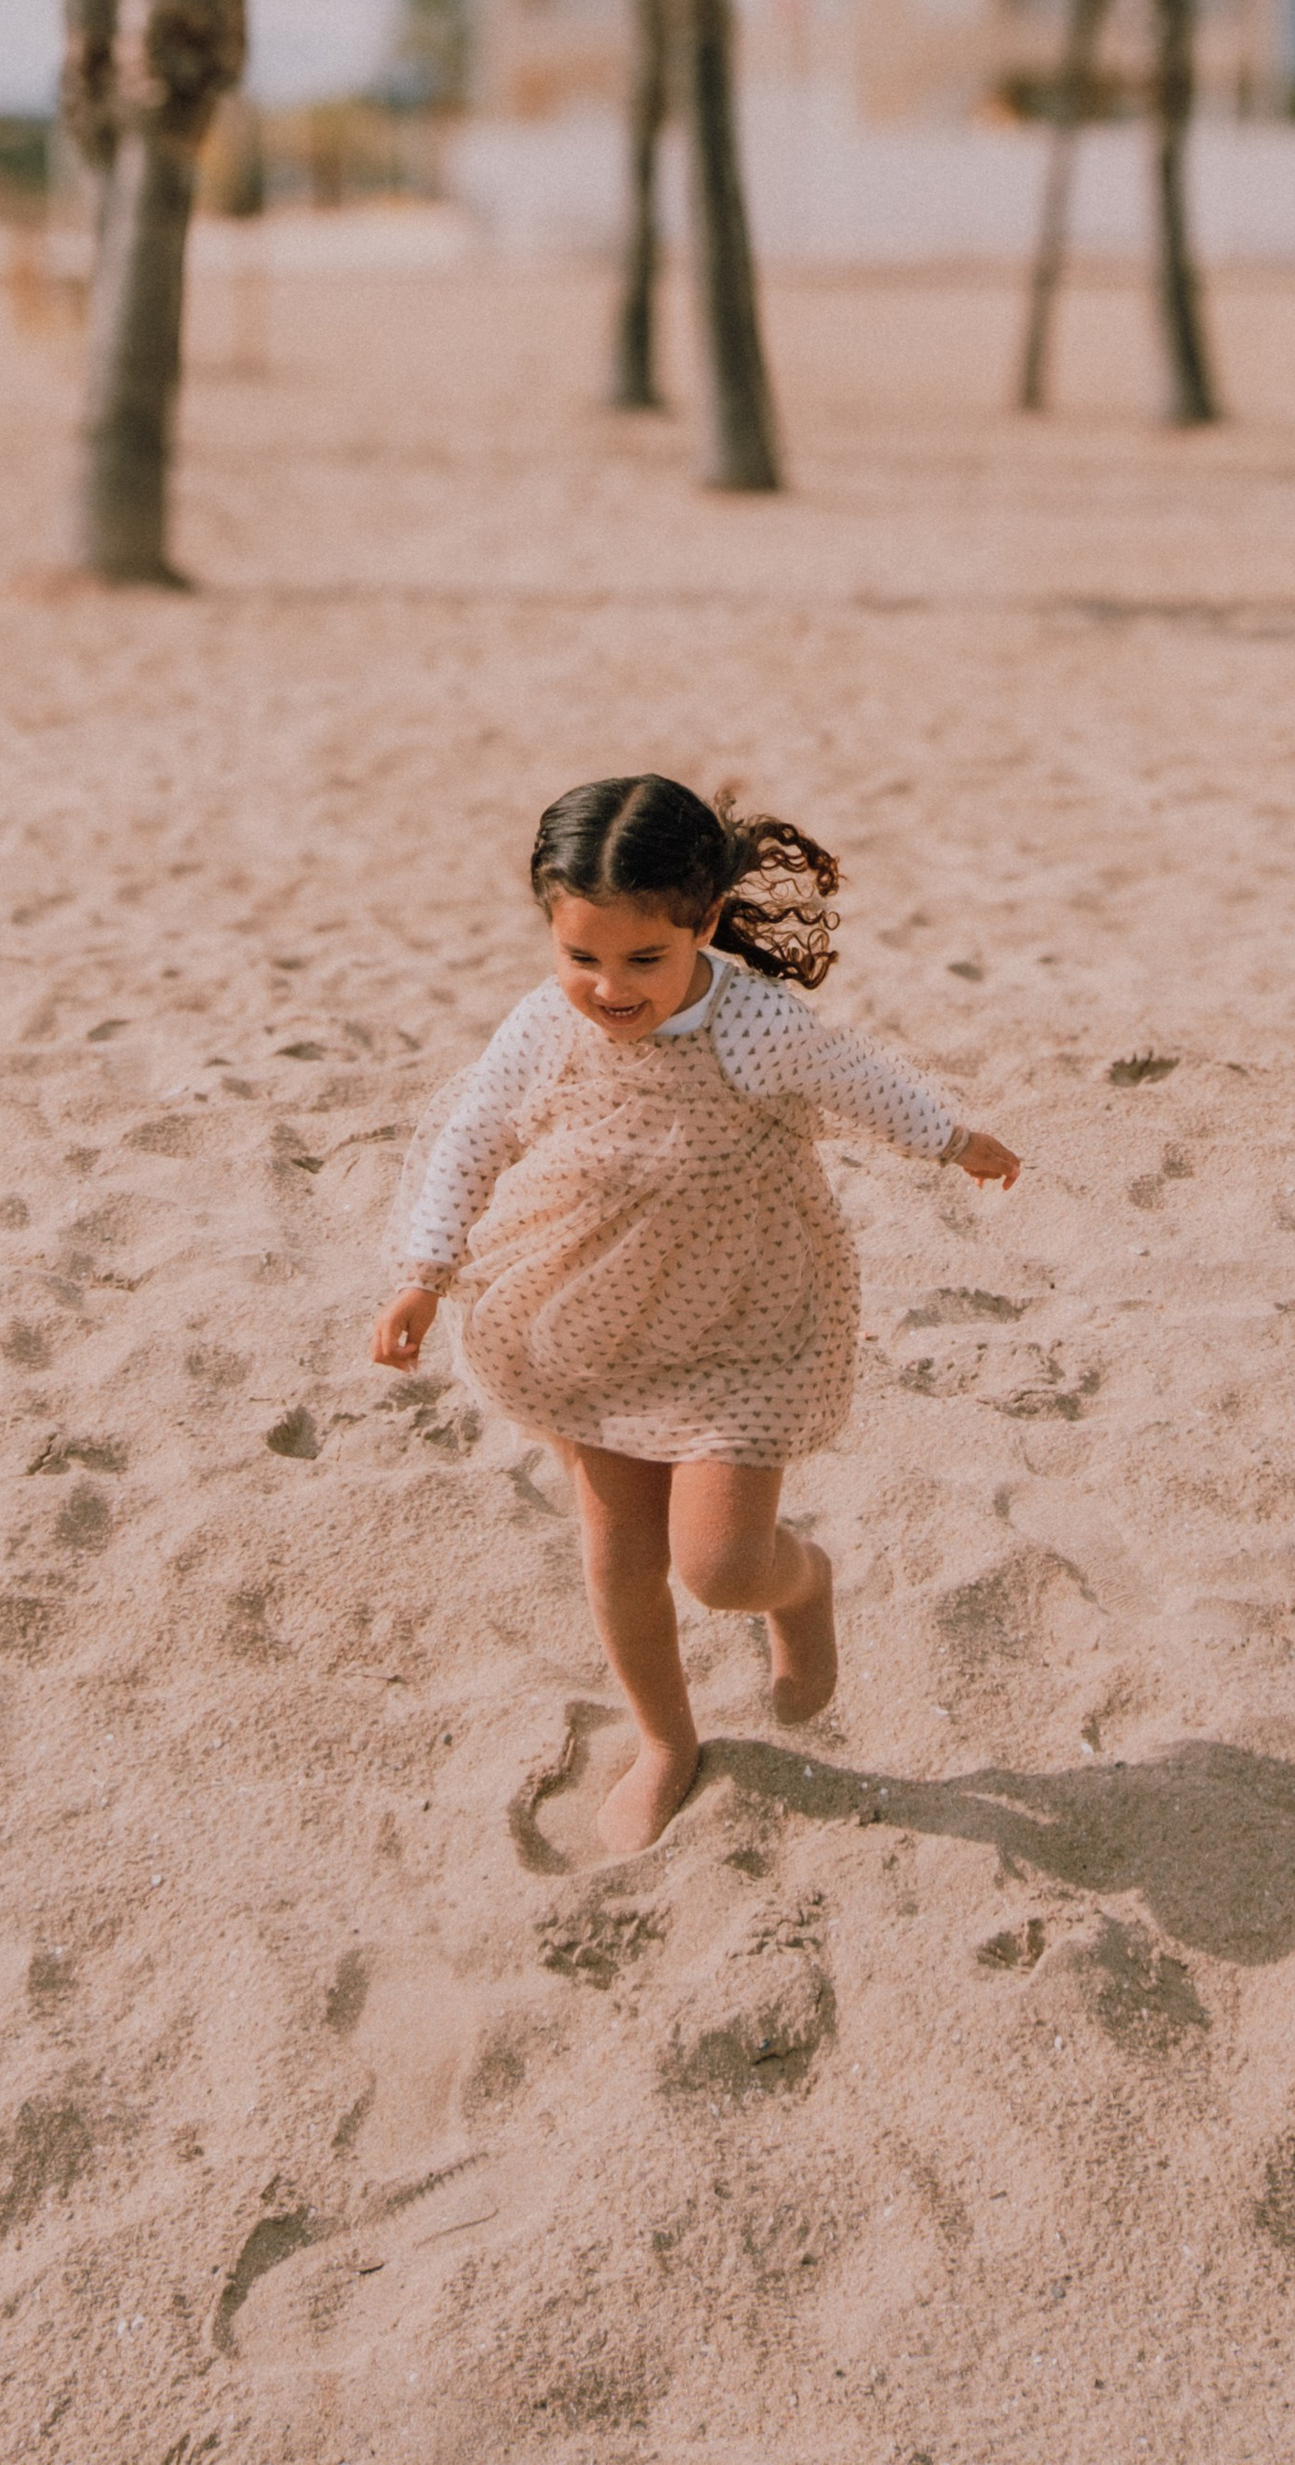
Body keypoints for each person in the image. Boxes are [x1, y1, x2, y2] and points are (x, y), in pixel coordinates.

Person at [371, 774, 1021, 1852]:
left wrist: (953, 1140)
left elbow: (857, 1079)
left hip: (740, 1319)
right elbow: (474, 1137)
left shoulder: (753, 1023)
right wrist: (423, 1275)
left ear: (704, 924)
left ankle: (801, 1586)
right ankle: (665, 1741)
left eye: (643, 959)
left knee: (720, 1568)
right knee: (619, 1554)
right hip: (591, 1309)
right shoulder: (542, 1025)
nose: (609, 988)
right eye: (580, 956)